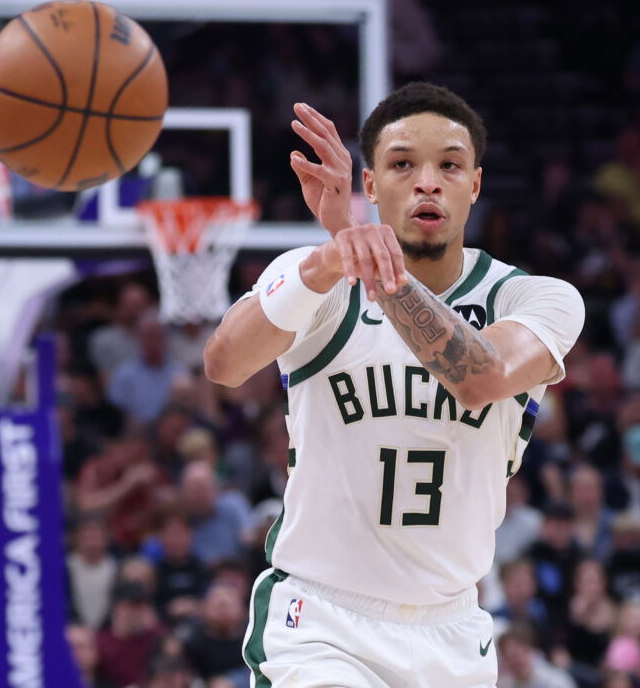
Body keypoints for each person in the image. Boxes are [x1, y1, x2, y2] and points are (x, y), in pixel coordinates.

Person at [205, 83, 584, 686]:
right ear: (372, 186)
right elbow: (223, 362)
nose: (427, 181)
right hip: (321, 622)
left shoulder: (534, 297)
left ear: (475, 186)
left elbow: (481, 377)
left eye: (449, 165)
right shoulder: (321, 279)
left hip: (453, 632)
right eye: (403, 164)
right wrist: (332, 258)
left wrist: (379, 271)